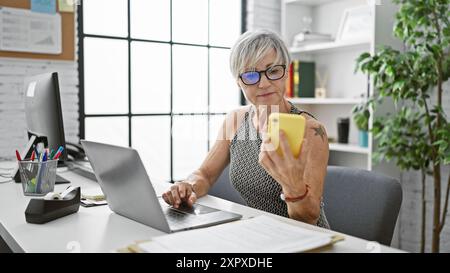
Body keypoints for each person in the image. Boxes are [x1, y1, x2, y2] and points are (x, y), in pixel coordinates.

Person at [162, 29, 330, 228]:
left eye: (274, 70)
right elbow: (205, 175)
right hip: (261, 233)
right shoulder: (235, 120)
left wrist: (293, 185)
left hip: (307, 239)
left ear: (286, 73)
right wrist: (187, 186)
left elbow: (309, 218)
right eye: (251, 75)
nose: (264, 83)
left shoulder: (311, 131)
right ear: (238, 82)